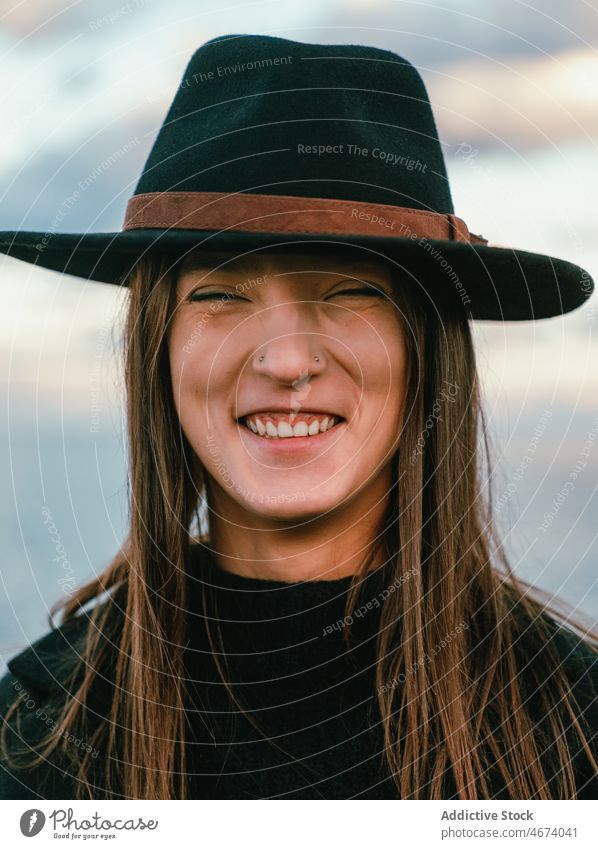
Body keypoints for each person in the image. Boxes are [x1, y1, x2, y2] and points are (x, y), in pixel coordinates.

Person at [0, 33, 596, 801]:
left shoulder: (572, 730)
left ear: (429, 350)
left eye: (348, 292)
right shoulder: (36, 739)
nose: (286, 361)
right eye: (221, 294)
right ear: (159, 350)